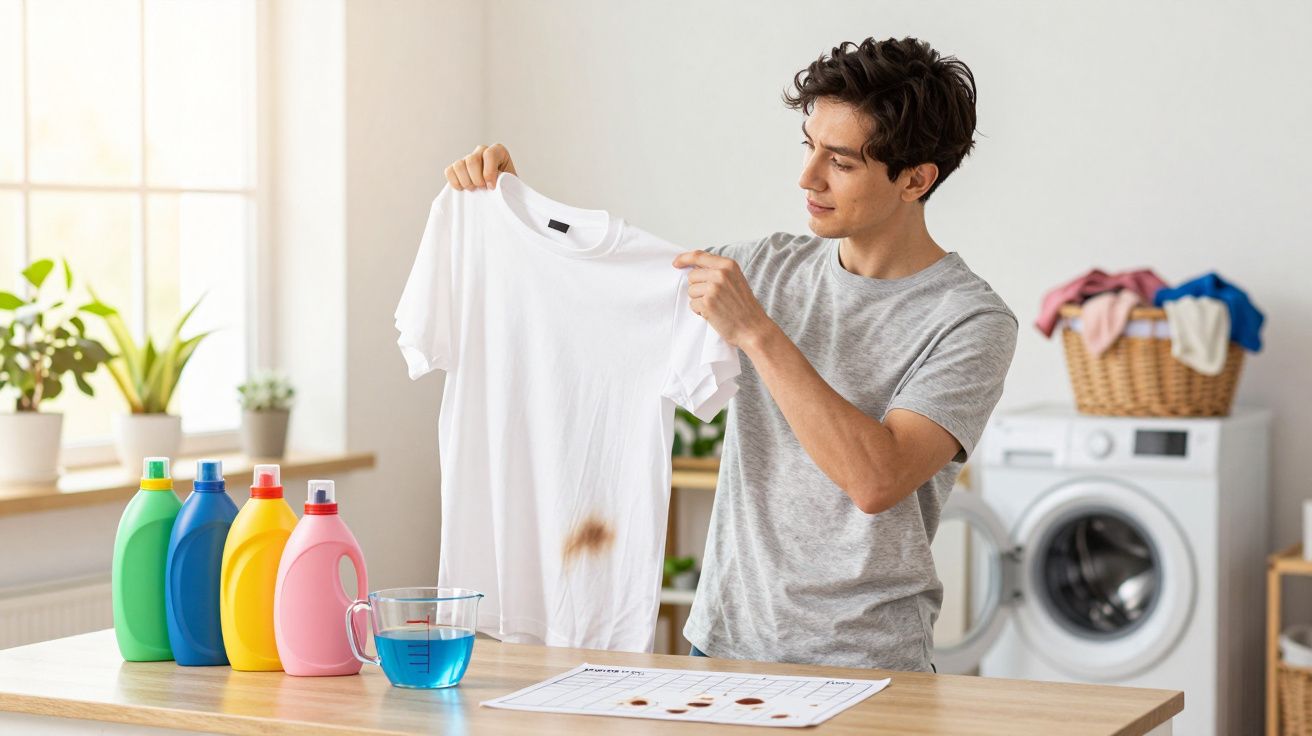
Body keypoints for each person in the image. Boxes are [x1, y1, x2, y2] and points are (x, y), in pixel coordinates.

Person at [441, 36, 1017, 672]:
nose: (808, 177)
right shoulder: (762, 267)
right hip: (720, 648)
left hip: (870, 662)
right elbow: (592, 292)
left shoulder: (971, 320)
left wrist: (757, 334)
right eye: (808, 146)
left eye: (841, 162)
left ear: (915, 179)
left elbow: (877, 480)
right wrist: (516, 207)